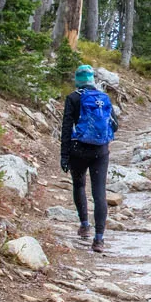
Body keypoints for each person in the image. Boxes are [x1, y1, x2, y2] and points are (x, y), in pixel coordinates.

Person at [60, 65, 117, 250]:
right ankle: (99, 239)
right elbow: (115, 125)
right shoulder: (103, 97)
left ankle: (84, 226)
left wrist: (64, 155)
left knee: (79, 185)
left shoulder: (73, 98)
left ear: (77, 79)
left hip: (78, 150)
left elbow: (67, 128)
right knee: (99, 193)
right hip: (100, 151)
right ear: (92, 79)